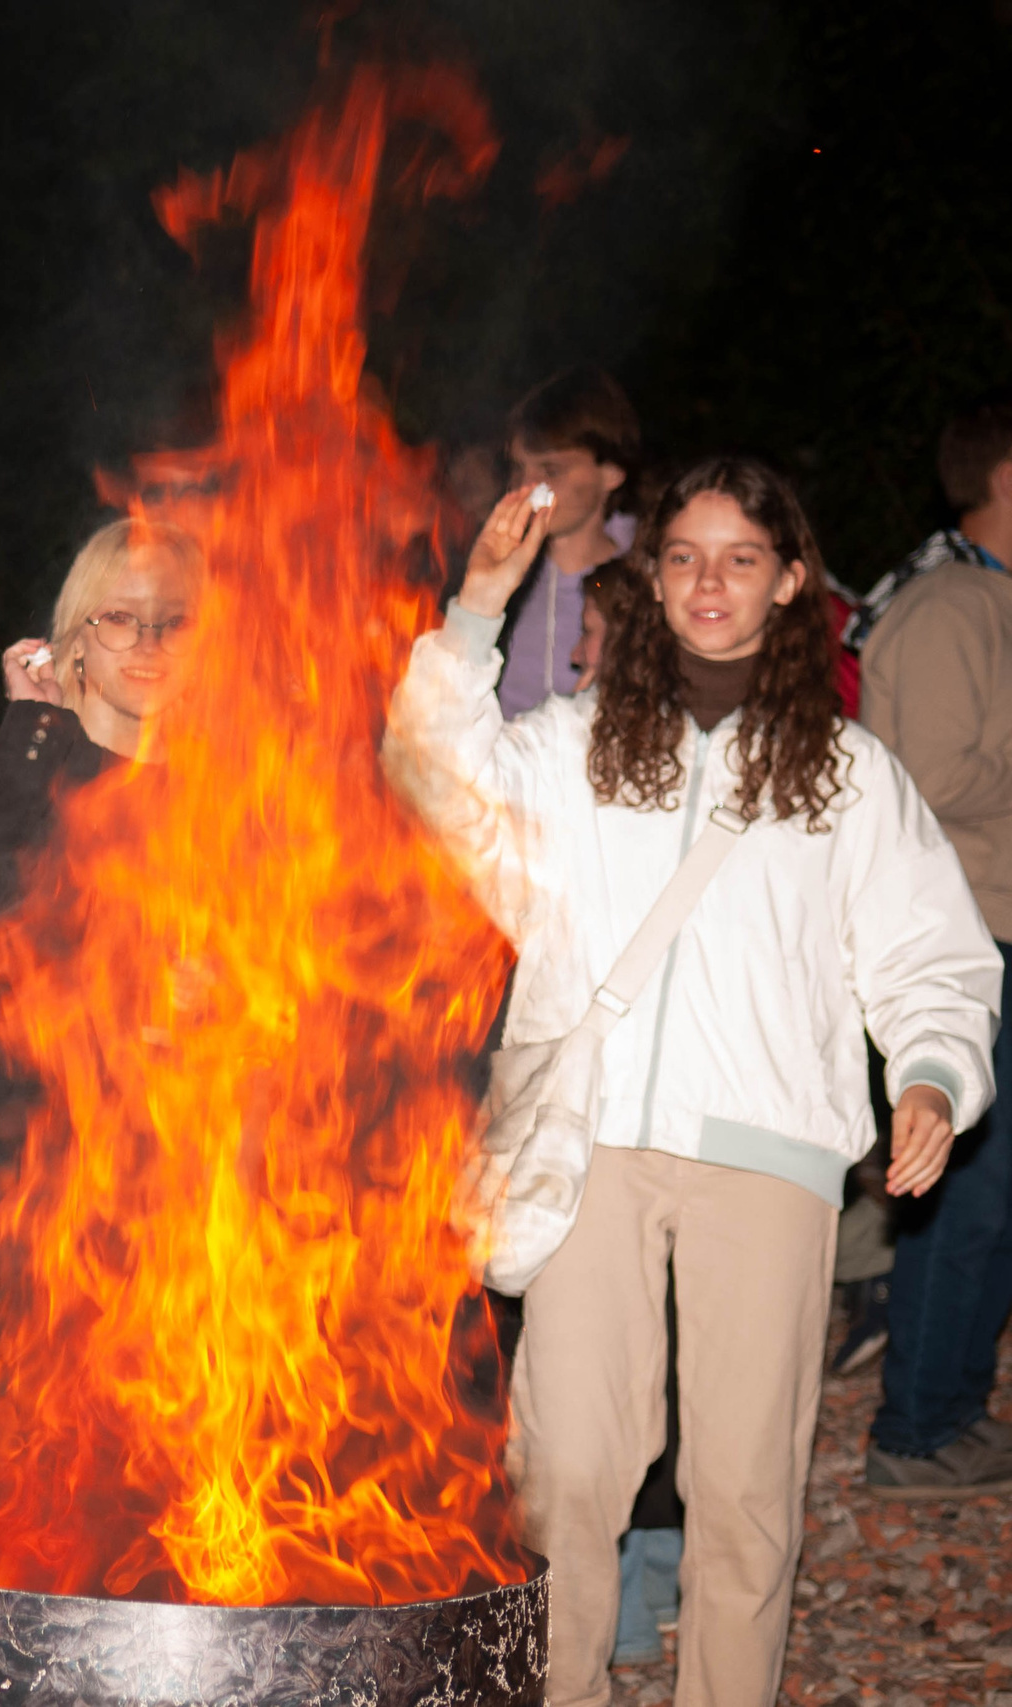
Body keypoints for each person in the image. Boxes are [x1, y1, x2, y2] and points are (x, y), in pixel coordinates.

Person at [385, 455, 1000, 1707]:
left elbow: (928, 954)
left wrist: (932, 1077)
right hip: (590, 1148)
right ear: (649, 581)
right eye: (680, 556)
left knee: (745, 1495)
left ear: (787, 584)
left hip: (765, 1158)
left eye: (738, 558)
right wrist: (473, 612)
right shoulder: (567, 749)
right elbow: (435, 773)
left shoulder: (847, 778)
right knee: (565, 1472)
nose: (706, 580)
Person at [0, 517, 202, 1270]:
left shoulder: (230, 798)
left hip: (178, 1185)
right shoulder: (11, 767)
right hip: (24, 1178)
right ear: (76, 638)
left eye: (174, 621)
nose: (150, 643)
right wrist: (34, 727)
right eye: (120, 618)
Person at [856, 389, 1012, 1496]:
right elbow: (916, 777)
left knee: (995, 1196)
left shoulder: (989, 598)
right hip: (965, 931)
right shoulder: (949, 605)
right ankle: (913, 1429)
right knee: (965, 1192)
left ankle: (951, 1407)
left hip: (997, 919)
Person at [488, 369, 640, 716]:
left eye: (550, 470)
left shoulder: (644, 583)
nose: (527, 487)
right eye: (518, 468)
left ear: (612, 473)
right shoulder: (497, 575)